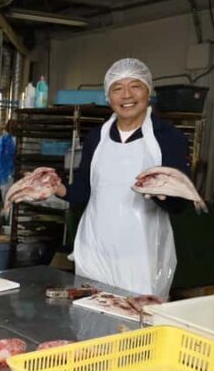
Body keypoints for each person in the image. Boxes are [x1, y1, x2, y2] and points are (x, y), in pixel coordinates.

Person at [14, 58, 190, 298]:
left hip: (141, 256)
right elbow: (85, 193)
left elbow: (181, 206)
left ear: (149, 91)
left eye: (135, 86)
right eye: (117, 88)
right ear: (108, 97)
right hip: (95, 248)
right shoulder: (97, 137)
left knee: (136, 325)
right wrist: (57, 188)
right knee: (90, 318)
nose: (126, 95)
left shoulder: (168, 138)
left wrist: (161, 194)